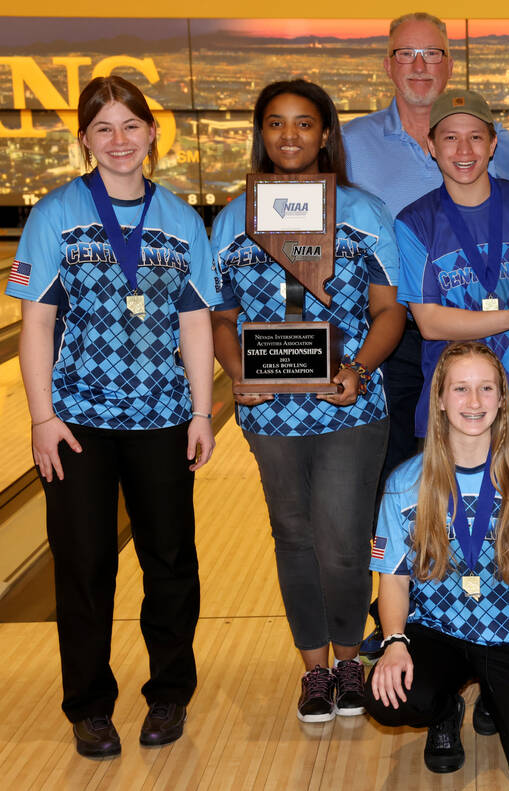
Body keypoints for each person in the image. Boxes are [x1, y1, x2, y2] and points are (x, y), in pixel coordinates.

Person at [9, 75, 217, 757]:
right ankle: (90, 706)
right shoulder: (54, 215)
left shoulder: (182, 220)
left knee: (169, 562)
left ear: (153, 133)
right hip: (77, 425)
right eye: (104, 129)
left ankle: (168, 695)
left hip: (160, 420)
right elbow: (35, 322)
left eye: (131, 125)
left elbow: (194, 320)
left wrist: (201, 409)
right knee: (83, 565)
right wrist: (43, 419)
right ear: (85, 141)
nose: (120, 140)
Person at [210, 79, 405, 723]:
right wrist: (239, 373)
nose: (288, 136)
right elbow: (221, 314)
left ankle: (350, 658)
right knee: (292, 536)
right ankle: (314, 670)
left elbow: (388, 311)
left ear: (325, 134)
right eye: (275, 124)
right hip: (268, 409)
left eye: (303, 124)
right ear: (260, 133)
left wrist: (358, 367)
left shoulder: (364, 211)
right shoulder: (230, 217)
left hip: (348, 403)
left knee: (344, 541)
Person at [343, 11, 509, 478]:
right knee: (407, 473)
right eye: (406, 54)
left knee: (507, 477)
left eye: (431, 54)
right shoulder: (350, 143)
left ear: (449, 63)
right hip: (396, 329)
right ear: (388, 65)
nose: (419, 65)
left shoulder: (503, 145)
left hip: (493, 330)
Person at [365, 342, 509, 790]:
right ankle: (444, 707)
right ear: (439, 399)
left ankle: (498, 696)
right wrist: (395, 642)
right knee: (388, 699)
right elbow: (394, 579)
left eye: (486, 389)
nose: (474, 402)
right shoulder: (406, 484)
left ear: (502, 400)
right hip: (437, 630)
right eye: (461, 389)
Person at [394, 88, 509, 459]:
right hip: (451, 410)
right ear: (431, 145)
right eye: (450, 138)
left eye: (476, 137)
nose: (464, 151)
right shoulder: (413, 224)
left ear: (493, 144)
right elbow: (429, 323)